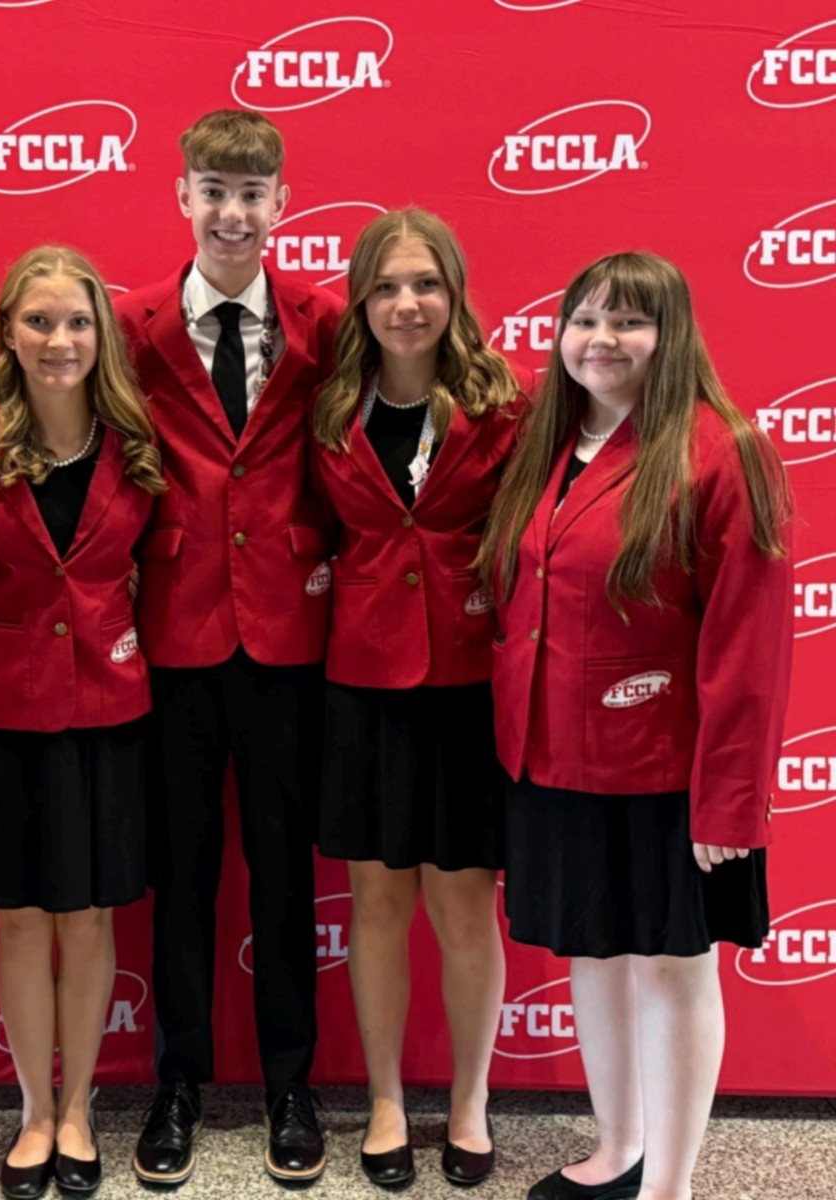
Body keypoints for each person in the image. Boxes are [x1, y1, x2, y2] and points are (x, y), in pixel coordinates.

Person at [479, 252, 792, 1200]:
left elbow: (750, 647)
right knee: (593, 954)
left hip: (665, 771)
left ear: (673, 335)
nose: (601, 340)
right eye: (584, 320)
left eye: (629, 322)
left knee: (669, 967)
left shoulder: (721, 450)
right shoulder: (548, 445)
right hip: (553, 758)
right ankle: (619, 1150)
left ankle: (672, 1187)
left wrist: (728, 804)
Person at [113, 109, 342, 1187]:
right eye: (213, 189)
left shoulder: (325, 323)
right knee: (183, 873)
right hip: (175, 633)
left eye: (253, 193)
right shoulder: (133, 325)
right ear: (181, 199)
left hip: (293, 636)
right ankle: (179, 1082)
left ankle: (294, 1084)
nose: (233, 211)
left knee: (287, 873)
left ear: (283, 203)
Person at [311, 208, 531, 1190]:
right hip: (362, 682)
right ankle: (389, 1098)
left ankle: (472, 1099)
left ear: (455, 293)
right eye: (389, 285)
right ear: (363, 297)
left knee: (462, 903)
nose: (408, 304)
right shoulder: (328, 406)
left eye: (427, 284)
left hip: (470, 681)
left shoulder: (508, 403)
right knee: (378, 899)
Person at [0, 246, 165, 1200]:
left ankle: (82, 1114)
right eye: (38, 321)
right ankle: (36, 1111)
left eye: (77, 321)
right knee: (24, 919)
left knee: (89, 916)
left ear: (101, 335)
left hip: (113, 710)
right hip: (4, 712)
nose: (59, 339)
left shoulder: (142, 445)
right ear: (4, 335)